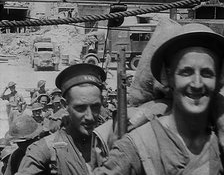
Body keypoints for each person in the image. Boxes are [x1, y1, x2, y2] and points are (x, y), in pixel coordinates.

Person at [93, 22, 224, 174]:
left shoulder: (219, 145)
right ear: (168, 77)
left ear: (218, 79)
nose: (197, 83)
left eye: (207, 73)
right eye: (186, 72)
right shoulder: (140, 146)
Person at [16, 63, 106, 175]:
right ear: (64, 105)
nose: (90, 116)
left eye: (95, 107)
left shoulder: (109, 143)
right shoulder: (44, 150)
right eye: (80, 108)